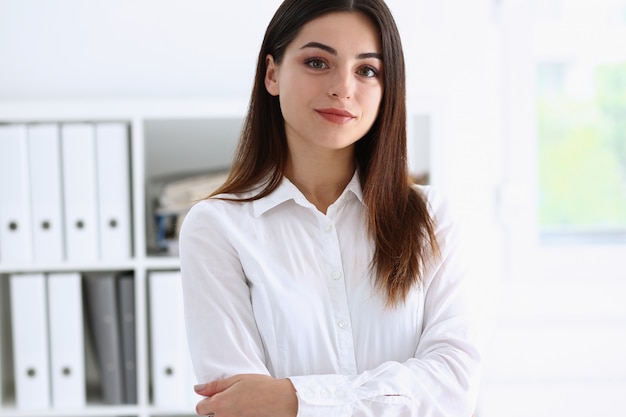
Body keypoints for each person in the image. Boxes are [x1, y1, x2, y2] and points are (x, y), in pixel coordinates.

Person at [179, 0, 482, 416]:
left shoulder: (433, 217)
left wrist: (294, 400)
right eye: (318, 62)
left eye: (367, 70)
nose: (343, 87)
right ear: (272, 74)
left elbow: (454, 387)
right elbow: (238, 406)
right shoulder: (216, 227)